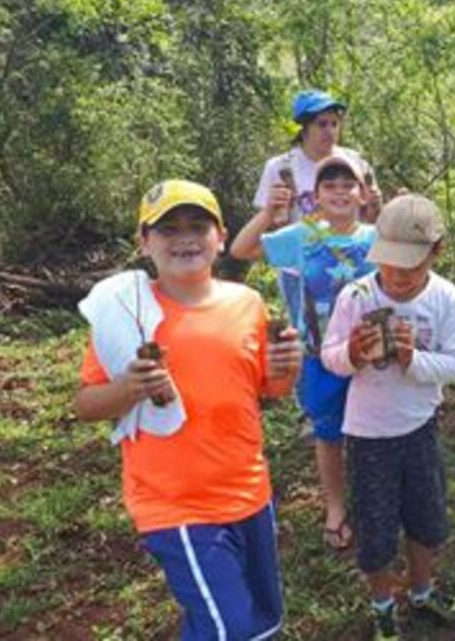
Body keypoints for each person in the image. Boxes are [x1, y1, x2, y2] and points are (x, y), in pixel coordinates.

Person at [75, 180, 303, 639]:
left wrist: (288, 368)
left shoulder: (247, 303)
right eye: (168, 229)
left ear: (220, 237)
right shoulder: (126, 313)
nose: (185, 238)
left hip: (249, 493)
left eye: (198, 226)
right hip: (174, 504)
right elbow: (85, 404)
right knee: (230, 629)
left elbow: (268, 389)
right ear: (145, 242)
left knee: (263, 622)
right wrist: (128, 388)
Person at [322, 194, 455, 640]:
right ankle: (383, 604)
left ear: (436, 251)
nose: (398, 277)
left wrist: (412, 360)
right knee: (376, 528)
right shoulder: (358, 294)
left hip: (420, 428)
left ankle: (422, 592)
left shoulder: (443, 297)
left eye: (410, 266)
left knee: (426, 518)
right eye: (389, 264)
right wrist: (351, 352)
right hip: (369, 436)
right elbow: (330, 357)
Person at [230, 154, 376, 552]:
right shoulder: (301, 236)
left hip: (370, 357)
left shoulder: (376, 238)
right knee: (328, 435)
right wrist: (270, 212)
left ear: (363, 194)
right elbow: (240, 249)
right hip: (318, 356)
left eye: (348, 184)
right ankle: (335, 508)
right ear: (315, 196)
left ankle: (372, 506)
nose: (340, 192)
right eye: (330, 185)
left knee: (371, 434)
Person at [232, 88, 381, 263]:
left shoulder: (357, 163)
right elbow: (257, 237)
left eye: (334, 124)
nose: (330, 131)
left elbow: (372, 221)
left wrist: (376, 208)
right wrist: (271, 212)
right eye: (322, 124)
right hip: (302, 256)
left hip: (354, 256)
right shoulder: (281, 168)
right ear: (304, 129)